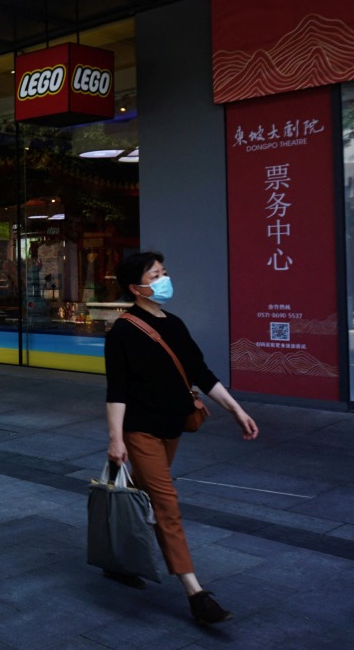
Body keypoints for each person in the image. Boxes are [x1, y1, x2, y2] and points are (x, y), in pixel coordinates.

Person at [104, 251, 259, 624]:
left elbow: (201, 373)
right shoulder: (123, 331)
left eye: (164, 272)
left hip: (172, 428)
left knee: (144, 501)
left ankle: (118, 562)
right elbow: (117, 390)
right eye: (155, 275)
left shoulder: (174, 323)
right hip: (139, 432)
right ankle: (197, 595)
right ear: (134, 287)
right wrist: (116, 439)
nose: (163, 280)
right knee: (166, 506)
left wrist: (236, 410)